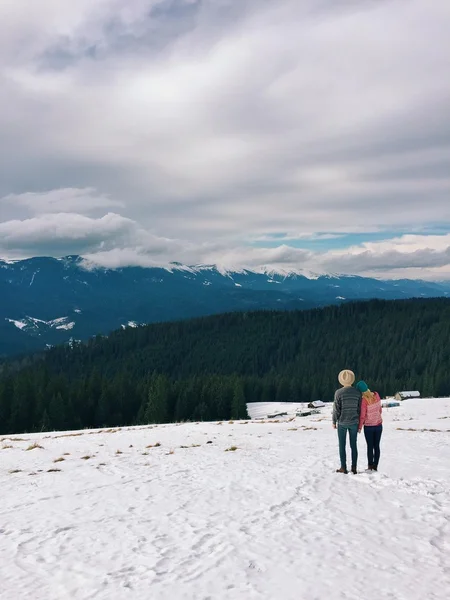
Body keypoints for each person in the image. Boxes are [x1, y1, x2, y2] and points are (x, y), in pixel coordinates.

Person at [332, 369, 362, 474]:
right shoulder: (358, 392)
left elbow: (336, 409)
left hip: (342, 422)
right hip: (354, 422)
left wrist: (334, 421)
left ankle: (343, 467)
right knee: (353, 445)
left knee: (342, 445)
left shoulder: (338, 393)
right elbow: (359, 409)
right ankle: (354, 468)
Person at [357, 380, 383, 471]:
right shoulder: (376, 395)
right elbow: (380, 409)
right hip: (379, 425)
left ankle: (370, 466)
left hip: (369, 427)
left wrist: (360, 427)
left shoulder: (364, 400)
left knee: (370, 446)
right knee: (377, 446)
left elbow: (362, 416)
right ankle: (375, 466)